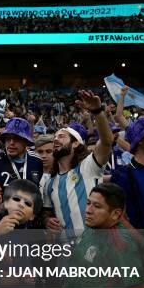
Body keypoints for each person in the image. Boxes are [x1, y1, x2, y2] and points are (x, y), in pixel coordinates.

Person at [43, 90, 114, 232]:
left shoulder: (89, 166)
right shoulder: (49, 182)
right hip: (67, 250)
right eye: (55, 137)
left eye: (62, 136)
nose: (56, 139)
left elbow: (106, 142)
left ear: (76, 144)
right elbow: (47, 211)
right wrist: (47, 220)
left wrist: (98, 112)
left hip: (97, 245)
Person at [0, 118, 43, 188]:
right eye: (8, 138)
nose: (11, 143)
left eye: (17, 138)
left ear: (26, 141)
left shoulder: (37, 160)